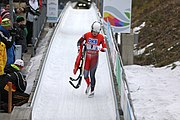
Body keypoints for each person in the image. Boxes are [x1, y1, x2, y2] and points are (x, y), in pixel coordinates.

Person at [77, 21, 106, 97]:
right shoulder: (87, 35)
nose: (95, 34)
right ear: (91, 30)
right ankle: (89, 84)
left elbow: (104, 46)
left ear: (99, 31)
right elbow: (79, 41)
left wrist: (102, 49)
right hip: (87, 58)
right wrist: (79, 49)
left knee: (92, 75)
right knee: (85, 75)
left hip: (94, 59)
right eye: (93, 32)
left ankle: (92, 91)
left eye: (96, 32)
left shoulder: (101, 37)